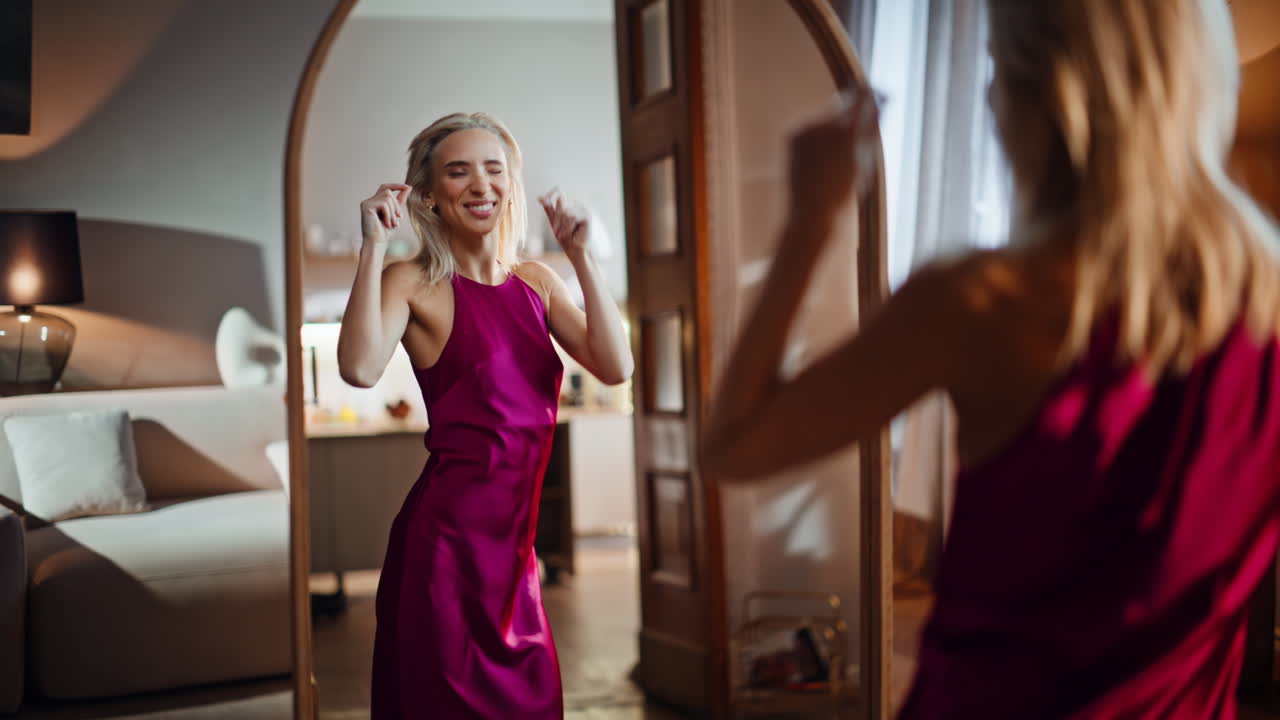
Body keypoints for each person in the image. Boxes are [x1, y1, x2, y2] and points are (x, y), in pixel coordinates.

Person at [701, 0, 1280, 716]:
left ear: (1037, 91)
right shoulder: (1265, 298)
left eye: (994, 70)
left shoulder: (979, 300)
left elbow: (731, 444)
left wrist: (808, 220)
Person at [336, 111, 632, 719]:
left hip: (515, 568)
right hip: (442, 560)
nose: (481, 185)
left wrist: (581, 255)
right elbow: (360, 368)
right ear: (426, 194)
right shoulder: (410, 282)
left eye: (494, 170)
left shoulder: (538, 282)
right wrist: (371, 246)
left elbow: (615, 364)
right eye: (459, 171)